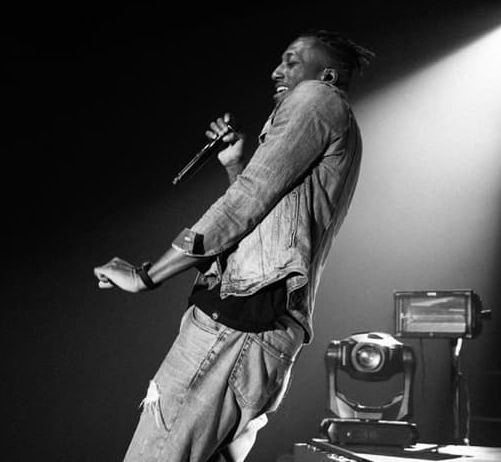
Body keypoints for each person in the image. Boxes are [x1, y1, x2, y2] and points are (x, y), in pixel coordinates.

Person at [95, 29, 375, 462]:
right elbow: (270, 213)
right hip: (262, 334)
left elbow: (247, 200)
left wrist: (145, 275)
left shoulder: (318, 100)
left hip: (237, 325)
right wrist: (235, 164)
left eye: (292, 60)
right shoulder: (337, 124)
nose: (277, 70)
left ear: (328, 74)